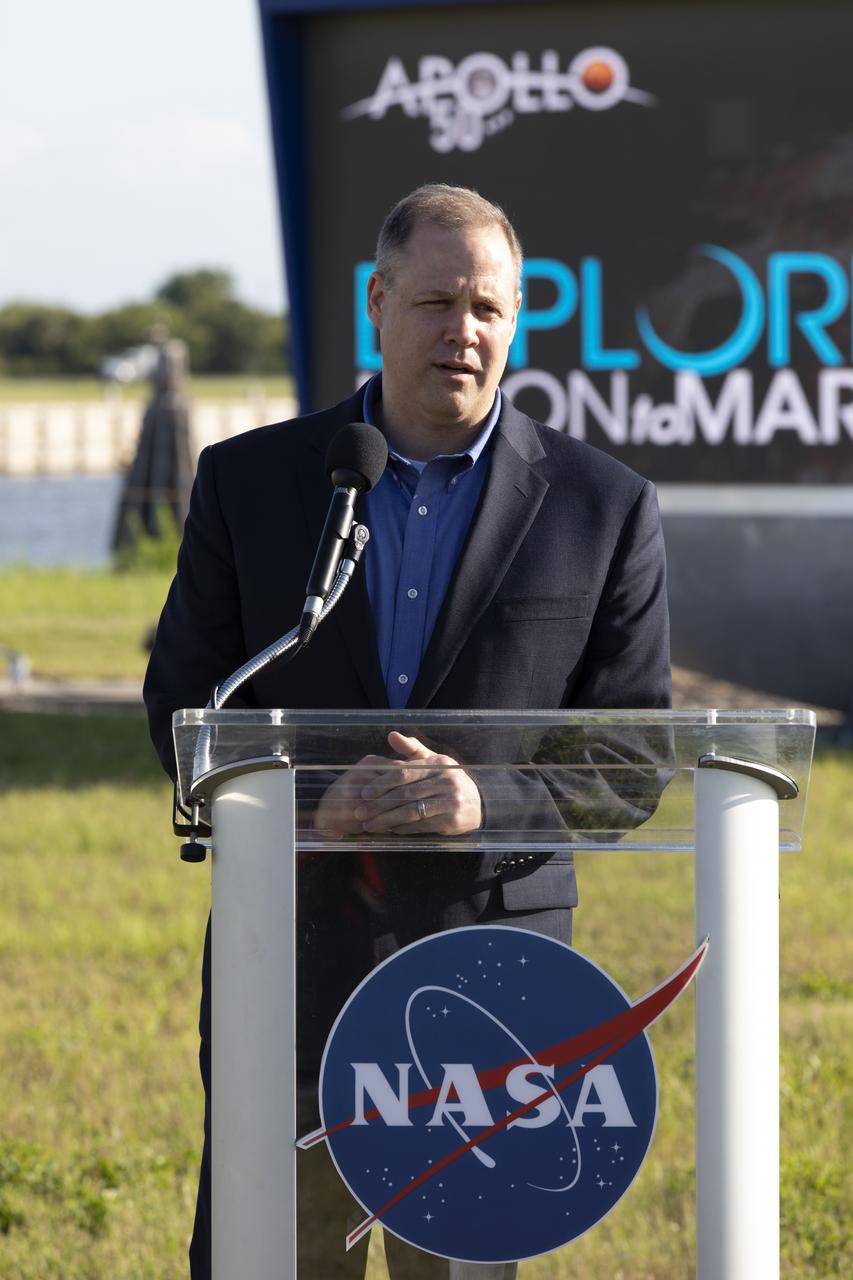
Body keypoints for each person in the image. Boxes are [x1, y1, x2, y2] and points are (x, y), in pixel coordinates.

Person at [144, 184, 671, 1278]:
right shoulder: (250, 483)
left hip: (491, 973)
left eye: (487, 308)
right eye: (435, 302)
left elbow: (630, 757)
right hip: (290, 950)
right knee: (271, 1257)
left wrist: (487, 800)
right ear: (378, 303)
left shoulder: (602, 504)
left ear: (515, 318)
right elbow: (186, 706)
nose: (461, 331)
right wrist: (308, 799)